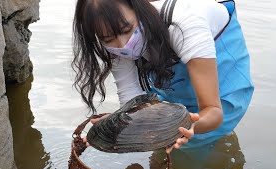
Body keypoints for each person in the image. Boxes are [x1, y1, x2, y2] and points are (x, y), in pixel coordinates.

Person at [72, 0, 254, 151]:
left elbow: (214, 111)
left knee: (194, 150)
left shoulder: (185, 25)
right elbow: (135, 104)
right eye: (108, 39)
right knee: (161, 141)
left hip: (219, 66)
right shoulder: (117, 50)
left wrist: (190, 127)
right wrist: (119, 123)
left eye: (127, 30)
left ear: (141, 9)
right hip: (173, 64)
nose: (122, 45)